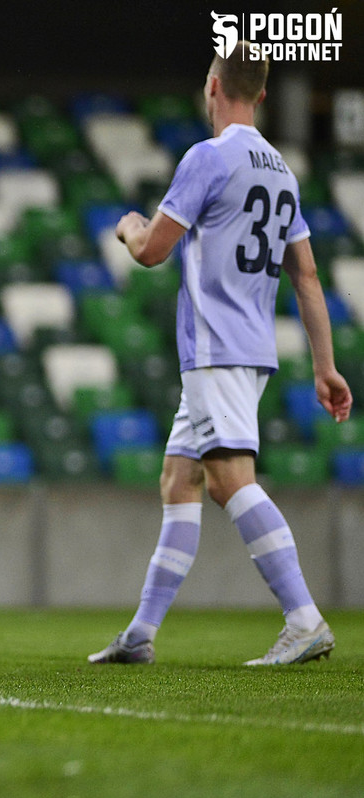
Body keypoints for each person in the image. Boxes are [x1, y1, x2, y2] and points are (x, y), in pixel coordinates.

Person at [88, 42, 353, 666]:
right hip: (251, 348)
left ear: (212, 87)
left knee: (231, 480)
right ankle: (141, 633)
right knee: (180, 478)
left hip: (215, 348)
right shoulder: (282, 171)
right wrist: (325, 365)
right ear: (261, 94)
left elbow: (152, 250)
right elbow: (307, 275)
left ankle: (304, 618)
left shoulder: (207, 158)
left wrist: (128, 224)